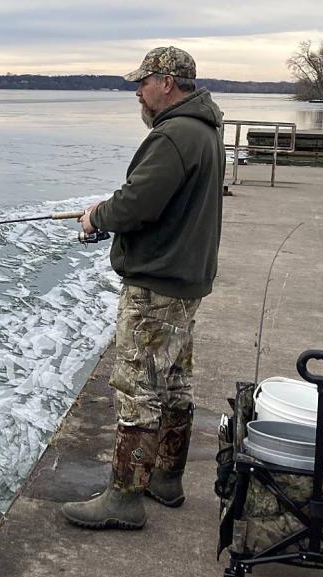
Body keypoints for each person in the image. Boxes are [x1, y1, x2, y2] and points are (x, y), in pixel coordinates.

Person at [62, 46, 225, 530]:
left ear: (167, 83)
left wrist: (97, 216)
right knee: (173, 380)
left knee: (137, 386)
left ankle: (125, 497)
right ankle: (166, 479)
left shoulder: (174, 135)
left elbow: (137, 204)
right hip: (185, 278)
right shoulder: (205, 131)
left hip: (158, 282)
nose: (138, 91)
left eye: (143, 82)